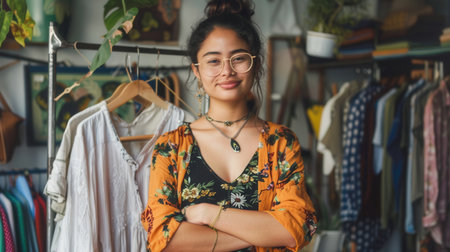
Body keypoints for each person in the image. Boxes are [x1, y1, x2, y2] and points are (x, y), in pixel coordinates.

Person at [141, 0, 317, 251]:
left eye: (239, 59)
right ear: (197, 71)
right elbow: (162, 237)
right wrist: (264, 232)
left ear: (255, 65)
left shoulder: (280, 142)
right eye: (213, 61)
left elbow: (296, 228)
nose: (227, 71)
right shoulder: (170, 146)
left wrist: (207, 213)